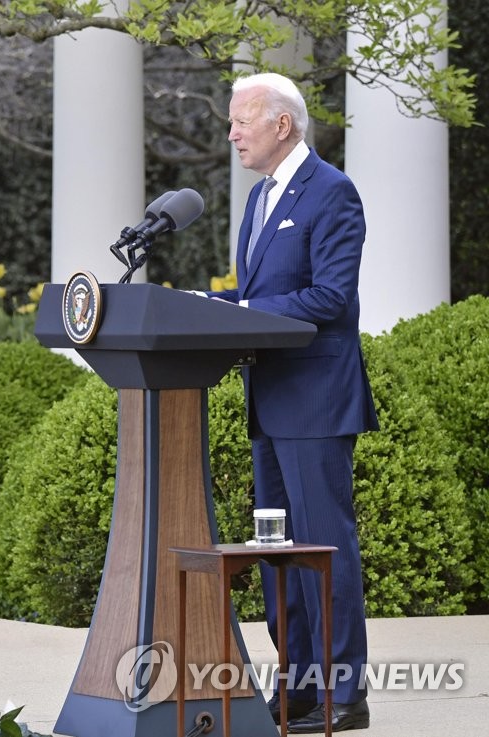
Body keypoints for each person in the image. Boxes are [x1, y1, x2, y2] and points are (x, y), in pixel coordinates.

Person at [206, 73, 379, 733]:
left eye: (240, 121)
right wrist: (206, 308)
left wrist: (242, 311)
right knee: (279, 554)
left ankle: (344, 694)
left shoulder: (332, 193)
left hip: (314, 400)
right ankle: (299, 688)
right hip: (269, 401)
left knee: (322, 548)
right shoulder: (256, 200)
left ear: (283, 124)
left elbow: (328, 297)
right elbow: (261, 296)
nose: (232, 134)